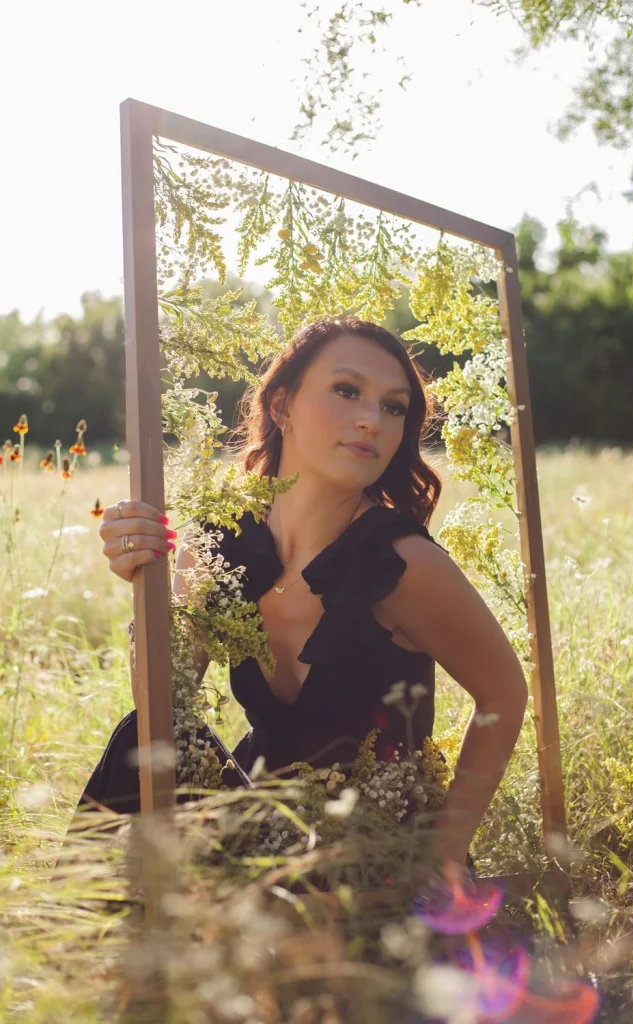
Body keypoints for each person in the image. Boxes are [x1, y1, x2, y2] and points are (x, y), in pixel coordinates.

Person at [77, 318, 528, 874]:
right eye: (347, 391)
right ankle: (90, 942)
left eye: (395, 407)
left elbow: (504, 692)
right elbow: (163, 704)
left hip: (369, 840)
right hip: (255, 810)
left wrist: (446, 850)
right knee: (137, 739)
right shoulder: (218, 545)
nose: (372, 420)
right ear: (282, 406)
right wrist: (146, 594)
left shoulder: (401, 563)